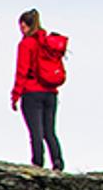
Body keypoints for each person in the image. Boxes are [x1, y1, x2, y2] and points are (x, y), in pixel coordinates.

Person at [12, 9, 68, 171]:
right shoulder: (48, 43)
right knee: (49, 131)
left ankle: (37, 164)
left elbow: (22, 71)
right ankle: (57, 162)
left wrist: (15, 95)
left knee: (35, 132)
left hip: (32, 93)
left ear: (24, 25)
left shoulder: (26, 44)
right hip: (51, 93)